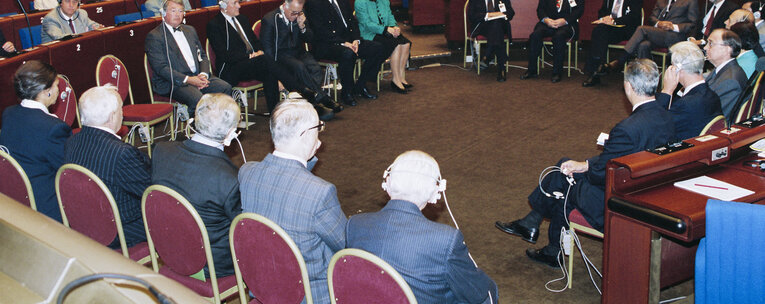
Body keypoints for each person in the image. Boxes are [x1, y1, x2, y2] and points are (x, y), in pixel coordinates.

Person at [498, 59, 674, 267]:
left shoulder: (626, 129)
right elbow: (625, 155)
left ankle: (544, 239)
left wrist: (585, 169)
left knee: (563, 179)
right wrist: (586, 164)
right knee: (565, 167)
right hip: (646, 190)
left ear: (629, 86)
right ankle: (535, 228)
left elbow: (601, 175)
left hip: (617, 201)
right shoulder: (667, 117)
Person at [348, 151, 498, 304]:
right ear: (436, 192)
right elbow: (478, 293)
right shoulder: (446, 239)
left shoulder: (354, 224)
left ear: (387, 183)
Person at [238, 99, 346, 304]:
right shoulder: (320, 193)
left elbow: (289, 183)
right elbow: (346, 247)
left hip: (263, 284)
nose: (320, 133)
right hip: (309, 294)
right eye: (319, 127)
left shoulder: (247, 172)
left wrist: (308, 153)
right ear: (304, 134)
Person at [151, 93, 241, 278]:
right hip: (212, 265)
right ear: (231, 134)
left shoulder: (161, 151)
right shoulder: (229, 179)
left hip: (167, 250)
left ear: (194, 120)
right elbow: (242, 228)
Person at [64, 85, 151, 247]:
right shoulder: (121, 153)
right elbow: (151, 190)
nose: (122, 114)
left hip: (83, 222)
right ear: (112, 116)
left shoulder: (72, 142)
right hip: (117, 228)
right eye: (121, 110)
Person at [0, 61, 71, 221]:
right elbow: (69, 170)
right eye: (56, 86)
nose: (58, 90)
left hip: (13, 198)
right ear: (46, 91)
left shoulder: (9, 114)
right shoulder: (53, 128)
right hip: (45, 206)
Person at [305, 0, 385, 106]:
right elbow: (320, 30)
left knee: (378, 48)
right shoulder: (313, 3)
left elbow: (352, 22)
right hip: (327, 44)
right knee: (348, 54)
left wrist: (355, 39)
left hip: (348, 40)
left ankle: (360, 84)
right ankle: (347, 92)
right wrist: (343, 43)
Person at [260, 0, 344, 117]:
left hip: (298, 51)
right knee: (299, 67)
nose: (295, 16)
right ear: (285, 5)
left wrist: (302, 26)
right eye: (293, 12)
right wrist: (274, 72)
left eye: (298, 12)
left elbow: (310, 38)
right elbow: (267, 48)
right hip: (282, 54)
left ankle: (312, 101)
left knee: (315, 68)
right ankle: (323, 99)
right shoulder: (270, 19)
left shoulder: (300, 15)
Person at [145, 0, 232, 113]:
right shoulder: (155, 36)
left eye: (181, 11)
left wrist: (203, 75)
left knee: (225, 87)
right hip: (173, 83)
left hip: (197, 76)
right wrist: (189, 80)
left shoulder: (190, 30)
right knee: (197, 98)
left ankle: (220, 125)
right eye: (173, 11)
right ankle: (198, 130)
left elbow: (202, 56)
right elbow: (161, 68)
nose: (178, 14)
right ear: (164, 13)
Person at [604, 0, 699, 71]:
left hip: (676, 36)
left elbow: (693, 23)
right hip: (659, 34)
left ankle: (620, 61)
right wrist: (659, 23)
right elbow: (652, 18)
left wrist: (674, 26)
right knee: (643, 45)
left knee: (642, 29)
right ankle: (644, 78)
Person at [205, 0, 281, 112]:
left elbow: (255, 41)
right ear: (223, 5)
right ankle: (292, 88)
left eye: (238, 2)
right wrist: (249, 56)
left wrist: (260, 51)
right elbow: (224, 55)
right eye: (235, 3)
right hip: (232, 68)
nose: (239, 6)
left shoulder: (242, 19)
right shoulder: (214, 25)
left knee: (268, 69)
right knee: (266, 62)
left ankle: (275, 111)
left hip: (253, 64)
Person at [521, 0, 585, 83]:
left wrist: (564, 21)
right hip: (548, 22)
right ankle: (531, 70)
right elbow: (540, 9)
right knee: (535, 35)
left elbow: (579, 10)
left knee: (559, 36)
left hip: (567, 24)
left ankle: (557, 72)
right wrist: (546, 20)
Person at [583, 0, 644, 87]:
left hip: (626, 28)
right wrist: (604, 19)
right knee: (598, 31)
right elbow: (602, 10)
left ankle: (594, 70)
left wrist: (614, 21)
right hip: (610, 27)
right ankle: (598, 69)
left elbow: (634, 17)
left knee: (600, 33)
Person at [355, 0, 413, 92]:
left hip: (387, 31)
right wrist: (386, 29)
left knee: (405, 43)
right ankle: (395, 79)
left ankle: (401, 76)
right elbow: (366, 24)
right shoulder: (359, 2)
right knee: (395, 44)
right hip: (370, 34)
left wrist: (395, 26)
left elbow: (390, 15)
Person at [656, 41, 723, 141]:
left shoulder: (685, 104)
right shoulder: (713, 95)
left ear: (678, 69)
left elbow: (656, 127)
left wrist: (667, 91)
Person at [467, 0, 514, 82]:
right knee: (496, 26)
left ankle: (488, 55)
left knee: (497, 24)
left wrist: (501, 14)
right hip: (482, 26)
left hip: (500, 25)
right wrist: (489, 15)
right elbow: (472, 16)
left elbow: (511, 13)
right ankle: (501, 67)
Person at [705, 28, 748, 123]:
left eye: (710, 43)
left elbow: (713, 117)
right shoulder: (722, 69)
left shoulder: (730, 81)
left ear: (727, 49)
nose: (705, 47)